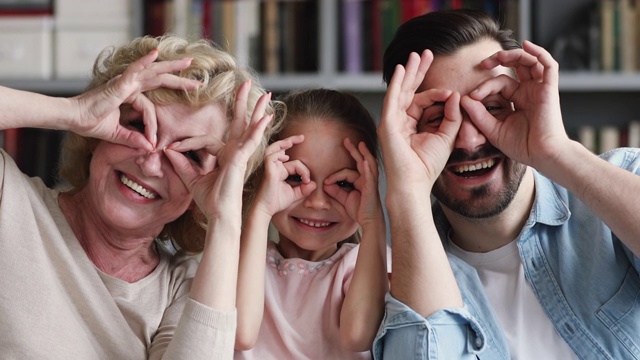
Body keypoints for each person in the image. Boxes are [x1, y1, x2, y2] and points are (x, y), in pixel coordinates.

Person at [372, 9, 640, 360]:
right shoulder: (400, 276)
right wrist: (407, 190)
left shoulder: (623, 177)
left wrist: (555, 151)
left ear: (524, 106)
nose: (468, 140)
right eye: (438, 118)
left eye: (493, 108)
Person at [0, 34, 280, 359]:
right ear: (99, 131)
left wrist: (224, 217)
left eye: (189, 156)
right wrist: (73, 111)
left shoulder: (186, 291)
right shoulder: (11, 200)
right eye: (139, 126)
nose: (149, 162)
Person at [233, 89, 389, 359]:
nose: (318, 202)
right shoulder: (240, 264)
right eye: (295, 177)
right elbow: (240, 332)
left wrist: (373, 219)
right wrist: (261, 208)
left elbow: (359, 335)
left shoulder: (365, 264)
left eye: (343, 183)